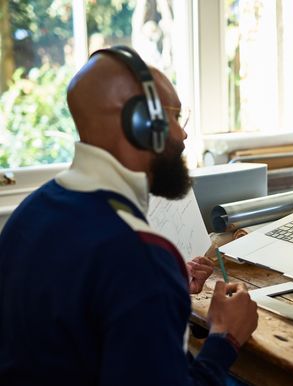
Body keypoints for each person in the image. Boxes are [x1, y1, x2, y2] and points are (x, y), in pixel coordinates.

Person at [0, 47, 258, 386]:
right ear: (140, 124)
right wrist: (226, 338)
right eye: (174, 117)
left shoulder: (31, 212)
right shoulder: (141, 254)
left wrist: (158, 294)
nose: (182, 135)